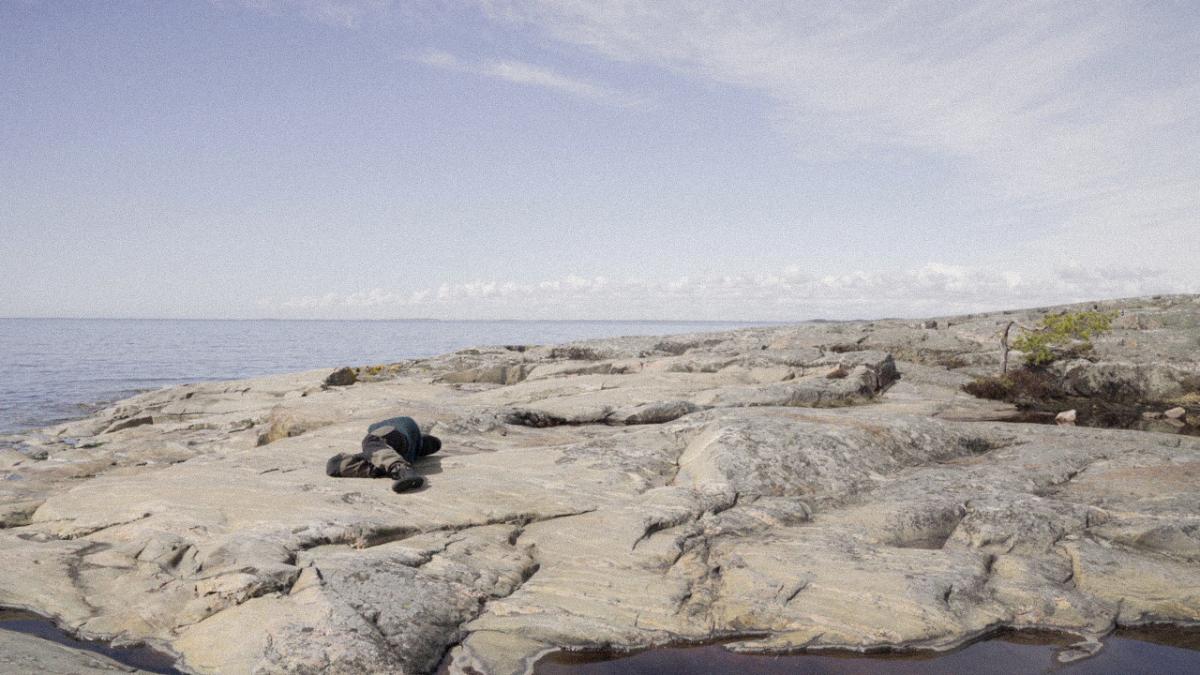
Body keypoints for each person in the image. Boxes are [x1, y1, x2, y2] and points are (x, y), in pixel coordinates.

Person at [325, 416, 441, 492]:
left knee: (371, 441)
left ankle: (401, 469)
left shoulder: (394, 424)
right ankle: (395, 469)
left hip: (395, 438)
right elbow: (435, 444)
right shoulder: (412, 441)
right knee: (335, 466)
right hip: (402, 450)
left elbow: (434, 444)